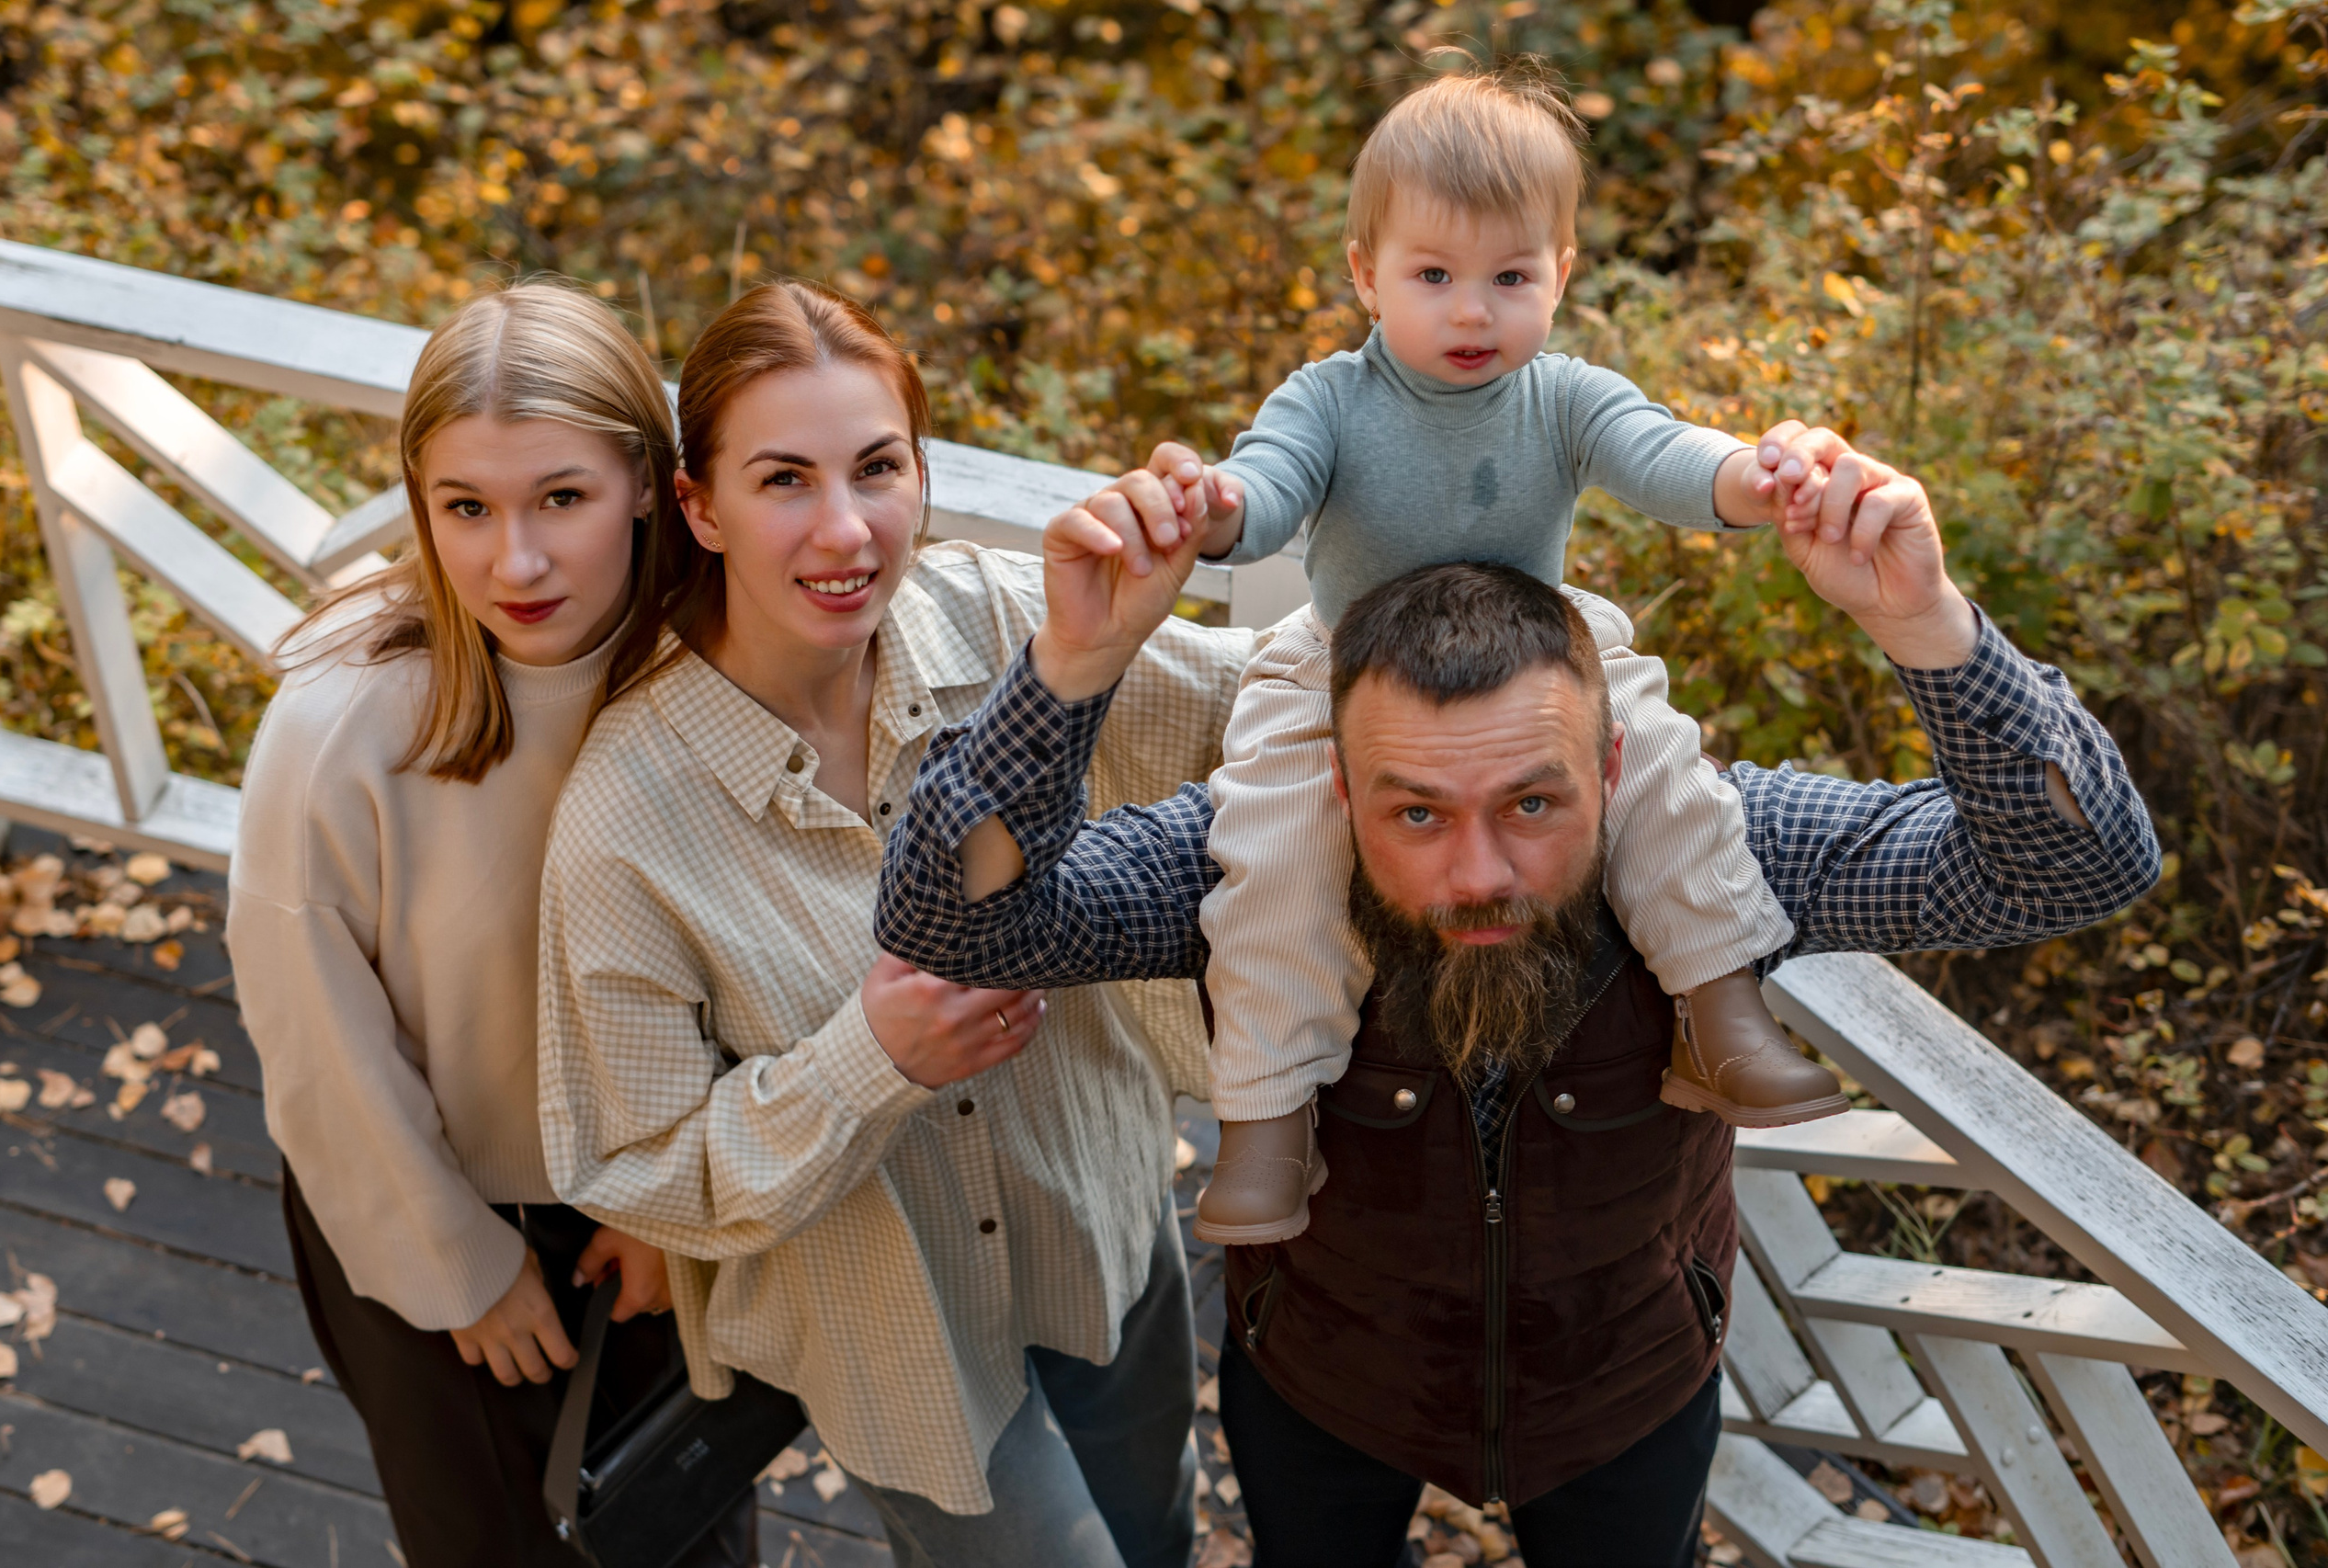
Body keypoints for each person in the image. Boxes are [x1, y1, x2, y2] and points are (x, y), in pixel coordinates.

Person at [873, 449, 2161, 1565]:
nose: (1478, 873)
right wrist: (1072, 664)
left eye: (1534, 804)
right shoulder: (1245, 864)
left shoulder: (1711, 848)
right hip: (1325, 1377)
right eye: (1416, 813)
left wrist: (1930, 624)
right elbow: (950, 917)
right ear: (1335, 787)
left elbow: (2082, 860)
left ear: (1611, 767)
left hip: (1630, 1384)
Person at [535, 280, 1251, 1568]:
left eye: (878, 468)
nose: (846, 528)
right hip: (896, 1338)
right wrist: (872, 1057)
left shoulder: (997, 619)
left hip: (1100, 1227)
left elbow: (1272, 716)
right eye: (785, 480)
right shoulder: (626, 818)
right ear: (697, 506)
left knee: (1157, 1536)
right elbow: (644, 1165)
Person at [1137, 60, 1861, 1246]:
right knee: (1271, 843)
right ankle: (1267, 1118)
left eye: (1511, 277)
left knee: (1667, 770)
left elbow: (1663, 452)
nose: (1473, 312)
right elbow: (1264, 490)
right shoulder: (1329, 399)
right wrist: (1211, 506)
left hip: (1539, 665)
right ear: (1367, 274)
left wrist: (1752, 476)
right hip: (1344, 666)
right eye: (1433, 276)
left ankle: (1721, 1012)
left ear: (1561, 274)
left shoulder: (1564, 398)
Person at [227, 283, 749, 1564]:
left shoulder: (727, 657)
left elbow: (768, 938)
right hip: (439, 1204)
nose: (514, 562)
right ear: (421, 500)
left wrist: (676, 1206)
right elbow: (314, 1035)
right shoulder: (343, 717)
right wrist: (457, 1261)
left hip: (674, 1196)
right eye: (467, 507)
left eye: (560, 498)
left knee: (688, 1530)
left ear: (643, 478)